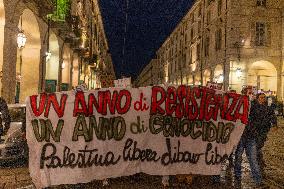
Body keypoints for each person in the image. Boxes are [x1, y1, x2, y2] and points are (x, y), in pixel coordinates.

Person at [234, 93, 277, 188]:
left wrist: (273, 124)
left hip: (252, 137)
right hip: (241, 136)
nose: (263, 99)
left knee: (253, 159)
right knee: (238, 158)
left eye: (264, 98)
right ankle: (237, 176)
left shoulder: (264, 108)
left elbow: (271, 116)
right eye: (261, 98)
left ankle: (258, 180)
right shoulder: (251, 107)